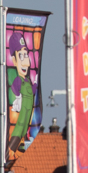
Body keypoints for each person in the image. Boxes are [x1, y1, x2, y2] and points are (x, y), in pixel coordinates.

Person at [5, 31, 35, 163]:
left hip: (29, 111)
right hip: (22, 110)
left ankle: (21, 143)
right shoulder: (18, 80)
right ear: (15, 60)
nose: (25, 60)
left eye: (26, 55)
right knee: (19, 126)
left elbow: (33, 90)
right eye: (21, 55)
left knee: (25, 127)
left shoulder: (28, 81)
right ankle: (11, 148)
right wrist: (17, 98)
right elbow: (14, 87)